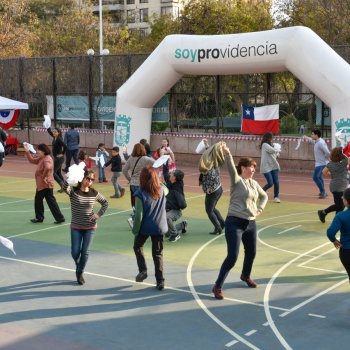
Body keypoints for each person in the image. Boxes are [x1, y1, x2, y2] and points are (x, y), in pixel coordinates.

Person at [212, 145, 268, 300]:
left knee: (251, 252)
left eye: (254, 168)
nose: (253, 170)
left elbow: (264, 197)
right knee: (232, 257)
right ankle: (217, 286)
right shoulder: (237, 181)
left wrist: (260, 209)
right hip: (234, 223)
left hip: (250, 223)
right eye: (251, 167)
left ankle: (245, 275)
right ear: (243, 168)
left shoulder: (254, 183)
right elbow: (230, 167)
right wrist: (228, 154)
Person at [62, 168, 108, 285]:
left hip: (90, 227)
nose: (90, 181)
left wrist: (98, 215)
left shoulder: (94, 193)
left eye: (92, 179)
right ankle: (79, 265)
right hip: (76, 226)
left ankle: (80, 272)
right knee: (75, 252)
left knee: (85, 252)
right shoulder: (74, 192)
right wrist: (71, 177)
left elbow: (105, 203)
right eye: (88, 178)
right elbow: (64, 187)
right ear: (82, 178)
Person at [132, 166, 168, 290]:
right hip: (159, 226)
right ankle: (160, 281)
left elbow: (138, 216)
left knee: (137, 246)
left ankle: (143, 270)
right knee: (158, 253)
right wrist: (160, 182)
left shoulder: (140, 194)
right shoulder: (162, 190)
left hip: (145, 227)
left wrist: (135, 230)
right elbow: (166, 188)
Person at [24, 143, 65, 224]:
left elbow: (48, 167)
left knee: (38, 200)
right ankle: (59, 217)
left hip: (44, 184)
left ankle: (40, 217)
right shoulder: (41, 158)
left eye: (39, 150)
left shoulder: (47, 159)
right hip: (45, 184)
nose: (37, 151)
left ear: (43, 151)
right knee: (51, 201)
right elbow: (32, 160)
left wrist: (44, 176)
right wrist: (27, 151)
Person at [122, 143, 155, 228]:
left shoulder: (131, 158)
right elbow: (156, 163)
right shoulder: (145, 158)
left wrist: (130, 179)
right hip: (141, 184)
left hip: (133, 184)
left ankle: (136, 220)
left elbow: (124, 170)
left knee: (137, 203)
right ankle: (133, 219)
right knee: (144, 204)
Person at [199, 141, 225, 235]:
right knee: (212, 208)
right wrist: (206, 145)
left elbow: (211, 177)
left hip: (212, 191)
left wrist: (209, 188)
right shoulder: (214, 160)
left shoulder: (209, 166)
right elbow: (211, 152)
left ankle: (218, 227)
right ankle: (222, 223)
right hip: (218, 188)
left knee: (209, 210)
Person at [318, 147, 349, 223]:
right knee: (340, 206)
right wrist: (343, 152)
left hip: (335, 186)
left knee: (340, 205)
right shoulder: (344, 162)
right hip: (340, 187)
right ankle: (323, 212)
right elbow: (348, 158)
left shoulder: (330, 164)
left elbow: (324, 172)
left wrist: (331, 174)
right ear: (340, 155)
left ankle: (326, 214)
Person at [326, 188, 350, 281]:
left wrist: (334, 240)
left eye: (343, 197)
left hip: (346, 252)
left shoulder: (340, 216)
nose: (341, 197)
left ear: (347, 202)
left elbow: (330, 233)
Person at [163, 162, 187, 242]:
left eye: (172, 174)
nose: (170, 174)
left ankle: (175, 235)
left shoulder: (177, 189)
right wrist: (164, 162)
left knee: (167, 217)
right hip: (168, 209)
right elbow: (165, 173)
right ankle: (183, 225)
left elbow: (183, 205)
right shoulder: (170, 182)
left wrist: (173, 205)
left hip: (176, 211)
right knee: (166, 233)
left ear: (175, 178)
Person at [304, 129, 330, 199]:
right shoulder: (317, 141)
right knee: (319, 177)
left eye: (312, 134)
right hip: (320, 163)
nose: (311, 135)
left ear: (316, 135)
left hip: (321, 163)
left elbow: (327, 152)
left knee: (315, 177)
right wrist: (306, 138)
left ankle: (323, 192)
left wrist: (325, 159)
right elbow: (312, 141)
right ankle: (323, 191)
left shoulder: (321, 142)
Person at [260, 132, 281, 203]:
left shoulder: (272, 145)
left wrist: (277, 152)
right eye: (271, 138)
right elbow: (272, 150)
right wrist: (277, 148)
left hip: (273, 166)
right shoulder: (264, 145)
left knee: (276, 182)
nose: (272, 139)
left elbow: (275, 154)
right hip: (266, 167)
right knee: (270, 183)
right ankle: (261, 193)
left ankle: (276, 197)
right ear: (268, 138)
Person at [47, 126, 66, 192]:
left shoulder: (59, 139)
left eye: (55, 132)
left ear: (58, 133)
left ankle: (62, 185)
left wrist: (62, 153)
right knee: (58, 173)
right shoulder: (55, 137)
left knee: (53, 173)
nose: (54, 132)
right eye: (53, 131)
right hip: (56, 158)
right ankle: (65, 187)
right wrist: (48, 127)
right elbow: (50, 132)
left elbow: (65, 146)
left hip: (59, 158)